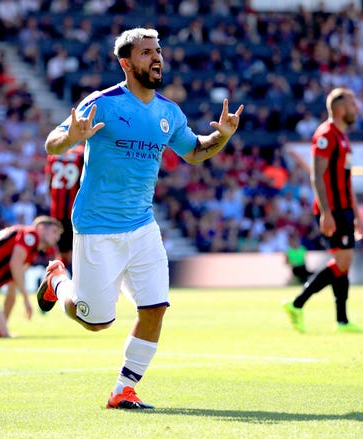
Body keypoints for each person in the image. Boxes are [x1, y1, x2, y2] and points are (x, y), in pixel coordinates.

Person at [36, 28, 243, 409]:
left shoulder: (168, 112)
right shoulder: (103, 103)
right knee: (96, 322)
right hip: (97, 227)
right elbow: (52, 142)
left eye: (158, 50)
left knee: (155, 307)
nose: (156, 57)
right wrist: (71, 138)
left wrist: (223, 136)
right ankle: (57, 282)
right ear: (127, 63)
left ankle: (123, 390)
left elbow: (194, 151)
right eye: (147, 52)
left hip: (143, 226)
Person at [282, 88, 363, 334]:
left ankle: (342, 320)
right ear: (339, 108)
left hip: (345, 209)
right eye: (352, 104)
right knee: (342, 260)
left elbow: (347, 181)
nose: (356, 108)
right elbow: (316, 175)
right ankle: (297, 304)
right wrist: (326, 212)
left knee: (343, 263)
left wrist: (357, 214)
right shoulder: (326, 134)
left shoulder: (343, 138)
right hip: (333, 209)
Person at [44, 142, 85, 269]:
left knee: (61, 250)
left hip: (57, 209)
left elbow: (49, 181)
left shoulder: (54, 154)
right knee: (78, 247)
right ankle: (75, 278)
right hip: (77, 209)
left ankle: (58, 276)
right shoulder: (82, 154)